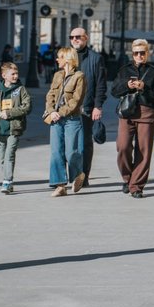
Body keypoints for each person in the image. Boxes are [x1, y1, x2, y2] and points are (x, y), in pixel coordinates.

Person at [112, 39, 154, 197]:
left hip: (147, 114)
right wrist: (127, 86)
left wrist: (144, 88)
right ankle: (128, 178)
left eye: (142, 53)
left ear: (147, 53)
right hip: (127, 113)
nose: (139, 55)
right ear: (132, 54)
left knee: (144, 150)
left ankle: (136, 186)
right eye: (136, 53)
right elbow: (114, 91)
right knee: (123, 146)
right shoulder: (124, 70)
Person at [0, 62, 32, 194]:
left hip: (14, 128)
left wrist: (9, 113)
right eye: (12, 74)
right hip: (0, 129)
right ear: (4, 75)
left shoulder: (21, 90)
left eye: (16, 73)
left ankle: (7, 181)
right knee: (2, 157)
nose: (15, 76)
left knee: (9, 155)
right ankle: (8, 181)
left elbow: (27, 107)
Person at [42, 47, 87, 197]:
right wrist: (51, 111)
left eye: (59, 57)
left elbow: (76, 100)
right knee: (56, 152)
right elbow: (50, 95)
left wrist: (59, 113)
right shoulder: (57, 75)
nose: (57, 59)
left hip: (71, 119)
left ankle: (78, 174)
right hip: (55, 118)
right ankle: (60, 185)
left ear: (67, 59)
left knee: (71, 152)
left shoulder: (79, 76)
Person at [70, 27, 107, 188]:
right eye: (72, 37)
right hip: (68, 109)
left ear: (86, 38)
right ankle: (72, 175)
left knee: (85, 144)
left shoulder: (95, 58)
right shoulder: (66, 57)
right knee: (70, 144)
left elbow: (101, 84)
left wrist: (98, 106)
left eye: (78, 37)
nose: (74, 40)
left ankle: (84, 177)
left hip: (87, 107)